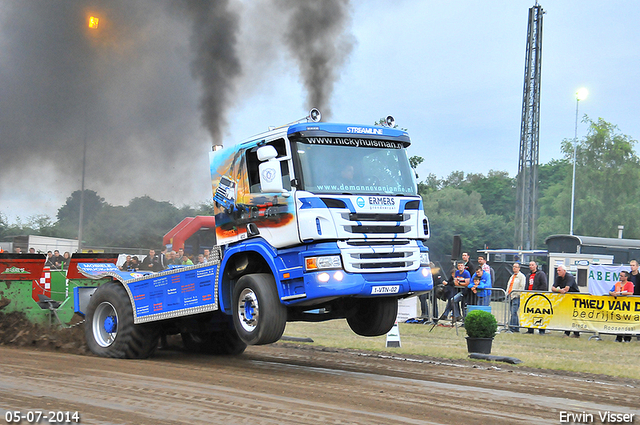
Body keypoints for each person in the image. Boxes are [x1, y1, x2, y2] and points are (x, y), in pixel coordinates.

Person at [552, 264, 580, 338]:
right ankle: (569, 332)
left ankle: (574, 333)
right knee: (567, 315)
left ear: (564, 271)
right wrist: (559, 290)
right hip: (566, 299)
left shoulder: (570, 277)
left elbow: (567, 288)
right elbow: (553, 288)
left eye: (559, 270)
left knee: (573, 315)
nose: (558, 272)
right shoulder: (558, 278)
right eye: (557, 270)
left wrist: (561, 290)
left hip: (574, 298)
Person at [609, 271, 635, 342]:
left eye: (622, 276)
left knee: (627, 322)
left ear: (626, 277)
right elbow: (610, 291)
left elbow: (631, 293)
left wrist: (620, 293)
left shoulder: (629, 284)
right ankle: (619, 337)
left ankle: (627, 338)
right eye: (620, 276)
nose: (620, 277)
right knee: (619, 321)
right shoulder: (617, 284)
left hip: (627, 305)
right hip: (618, 305)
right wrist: (612, 293)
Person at [526, 261, 548, 334]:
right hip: (530, 297)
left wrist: (537, 292)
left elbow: (544, 285)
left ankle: (541, 330)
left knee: (539, 313)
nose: (531, 266)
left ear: (536, 266)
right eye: (530, 265)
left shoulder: (541, 274)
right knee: (530, 313)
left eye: (532, 265)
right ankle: (530, 329)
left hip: (538, 297)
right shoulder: (528, 275)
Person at [506, 263, 526, 333]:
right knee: (513, 312)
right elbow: (509, 285)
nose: (514, 268)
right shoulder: (512, 276)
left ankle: (512, 327)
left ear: (519, 268)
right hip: (511, 296)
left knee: (513, 311)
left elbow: (522, 286)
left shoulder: (521, 276)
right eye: (513, 267)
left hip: (516, 296)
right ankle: (516, 327)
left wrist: (517, 294)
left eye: (516, 267)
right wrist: (507, 293)